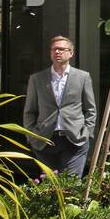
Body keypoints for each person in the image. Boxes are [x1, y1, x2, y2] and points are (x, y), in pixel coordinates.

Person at [23, 34, 96, 177]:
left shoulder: (83, 77)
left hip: (75, 140)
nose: (57, 52)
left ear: (71, 53)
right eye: (54, 49)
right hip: (45, 140)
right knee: (49, 185)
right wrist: (31, 135)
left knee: (71, 184)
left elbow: (90, 109)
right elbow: (29, 111)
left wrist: (87, 133)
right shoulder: (37, 79)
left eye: (62, 49)